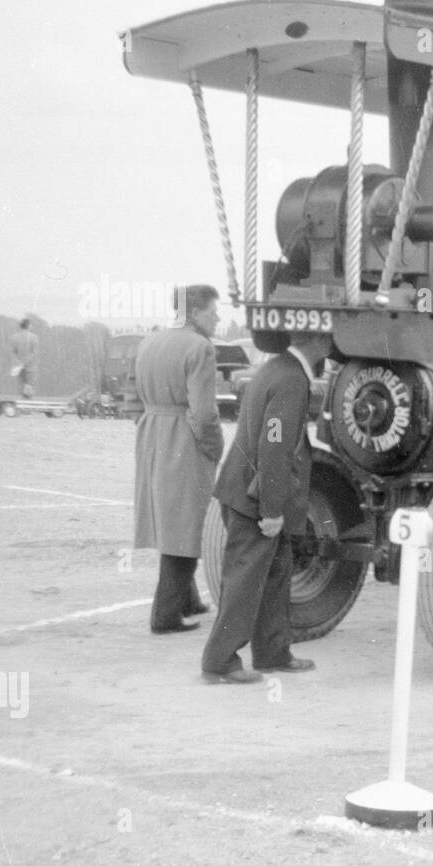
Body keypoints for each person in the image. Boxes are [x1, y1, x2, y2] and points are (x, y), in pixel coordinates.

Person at [200, 330, 332, 683]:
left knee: (276, 572)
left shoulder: (276, 368)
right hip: (255, 498)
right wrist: (272, 511)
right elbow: (274, 446)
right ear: (318, 342)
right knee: (245, 580)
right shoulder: (292, 379)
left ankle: (273, 653)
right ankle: (219, 661)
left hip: (244, 489)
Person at [133, 285, 225, 634]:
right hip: (183, 435)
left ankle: (187, 600)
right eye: (213, 310)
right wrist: (214, 446)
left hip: (153, 433)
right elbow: (203, 413)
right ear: (196, 312)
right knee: (187, 520)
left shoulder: (150, 341)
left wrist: (148, 422)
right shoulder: (200, 347)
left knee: (169, 518)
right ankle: (166, 615)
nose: (218, 317)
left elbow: (131, 395)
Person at [9, 318, 39, 398]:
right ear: (28, 326)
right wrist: (27, 362)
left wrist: (18, 362)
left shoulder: (14, 337)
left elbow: (13, 352)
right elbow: (35, 352)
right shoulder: (34, 337)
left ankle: (23, 401)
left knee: (22, 386)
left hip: (18, 366)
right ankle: (29, 403)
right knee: (30, 385)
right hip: (30, 366)